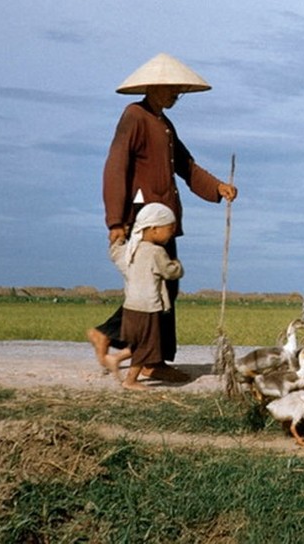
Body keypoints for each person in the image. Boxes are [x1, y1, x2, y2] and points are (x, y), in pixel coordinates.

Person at [87, 53, 238, 381]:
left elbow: (186, 166)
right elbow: (116, 167)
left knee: (161, 285)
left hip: (162, 220)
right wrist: (116, 219)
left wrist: (218, 187)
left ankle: (117, 339)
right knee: (160, 284)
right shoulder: (135, 116)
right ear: (154, 88)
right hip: (145, 219)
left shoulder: (164, 123)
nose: (175, 96)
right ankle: (149, 359)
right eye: (171, 90)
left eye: (178, 92)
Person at [104, 203, 183, 390]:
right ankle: (130, 380)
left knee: (139, 342)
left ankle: (115, 358)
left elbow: (115, 255)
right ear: (154, 229)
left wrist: (118, 240)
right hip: (148, 307)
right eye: (169, 229)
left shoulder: (130, 250)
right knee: (147, 346)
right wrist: (177, 265)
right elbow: (170, 272)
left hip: (130, 307)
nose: (171, 233)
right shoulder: (156, 252)